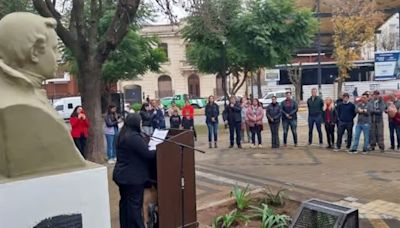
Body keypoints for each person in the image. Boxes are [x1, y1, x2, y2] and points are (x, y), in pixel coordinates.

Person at [113, 113, 156, 228]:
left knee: (125, 204)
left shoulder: (121, 134)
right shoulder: (133, 137)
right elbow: (147, 154)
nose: (141, 124)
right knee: (134, 206)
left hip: (121, 175)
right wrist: (161, 150)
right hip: (132, 177)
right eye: (140, 122)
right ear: (135, 123)